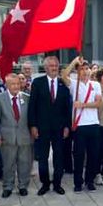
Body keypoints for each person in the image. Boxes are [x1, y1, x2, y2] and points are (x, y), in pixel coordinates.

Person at [28, 56, 71, 195]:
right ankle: (45, 184)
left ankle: (57, 184)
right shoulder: (37, 83)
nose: (54, 68)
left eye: (56, 65)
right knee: (43, 157)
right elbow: (32, 106)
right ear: (45, 68)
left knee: (59, 157)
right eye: (51, 65)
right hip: (42, 128)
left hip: (59, 128)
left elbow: (67, 108)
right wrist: (33, 126)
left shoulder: (63, 83)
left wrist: (66, 126)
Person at [62, 57, 103, 192]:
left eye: (87, 68)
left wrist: (83, 105)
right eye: (81, 69)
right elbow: (63, 75)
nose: (85, 71)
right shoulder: (74, 84)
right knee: (79, 155)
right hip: (79, 125)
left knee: (93, 154)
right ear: (77, 72)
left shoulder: (95, 85)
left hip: (93, 124)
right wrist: (74, 62)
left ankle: (89, 180)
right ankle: (78, 182)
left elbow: (98, 104)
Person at [0, 74, 32, 198]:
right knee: (8, 164)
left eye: (17, 83)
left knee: (24, 163)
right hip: (7, 137)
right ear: (6, 85)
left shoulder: (27, 98)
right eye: (13, 84)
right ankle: (8, 186)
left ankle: (23, 186)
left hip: (24, 136)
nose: (16, 86)